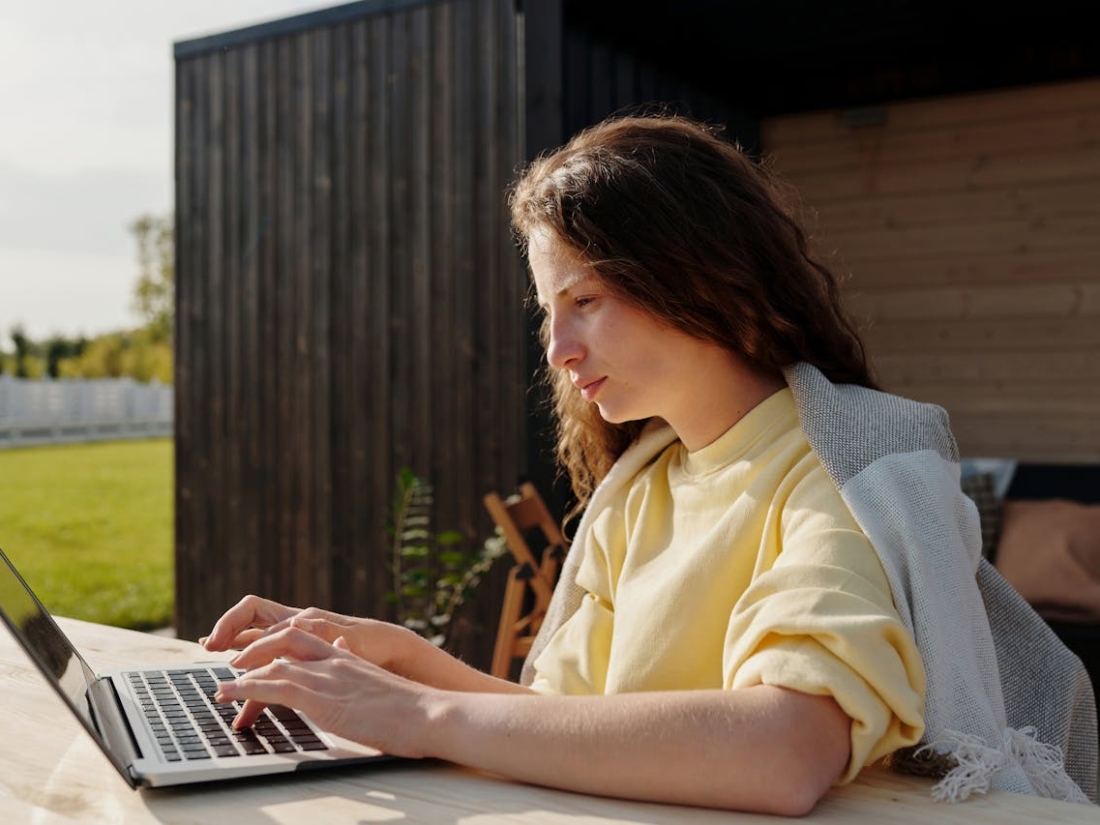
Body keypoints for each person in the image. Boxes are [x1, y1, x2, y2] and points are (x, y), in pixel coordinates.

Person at [203, 111, 1095, 814]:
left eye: (584, 299)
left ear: (697, 272)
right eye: (550, 309)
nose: (556, 348)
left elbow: (786, 750)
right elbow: (559, 725)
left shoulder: (843, 463)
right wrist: (394, 661)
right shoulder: (642, 487)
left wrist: (422, 711)